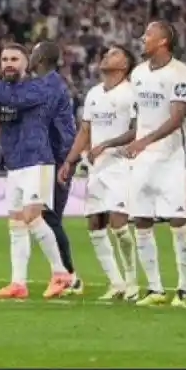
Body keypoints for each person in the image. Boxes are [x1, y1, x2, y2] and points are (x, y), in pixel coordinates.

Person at [0, 44, 72, 300]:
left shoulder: (38, 86)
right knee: (16, 223)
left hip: (38, 160)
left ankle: (61, 273)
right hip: (14, 163)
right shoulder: (2, 88)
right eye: (4, 59)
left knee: (33, 218)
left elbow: (14, 100)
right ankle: (18, 283)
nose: (8, 64)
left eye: (15, 59)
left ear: (28, 63)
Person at [113, 21, 186, 308]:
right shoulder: (137, 74)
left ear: (162, 42)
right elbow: (138, 119)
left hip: (170, 158)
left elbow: (177, 117)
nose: (142, 40)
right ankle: (155, 288)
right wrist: (129, 141)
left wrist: (144, 141)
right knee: (142, 221)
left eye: (148, 35)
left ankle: (184, 288)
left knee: (178, 222)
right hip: (142, 158)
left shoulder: (179, 72)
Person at [59, 44, 139, 301]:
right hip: (97, 168)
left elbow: (137, 130)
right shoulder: (94, 93)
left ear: (125, 65)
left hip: (122, 165)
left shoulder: (131, 92)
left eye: (114, 53)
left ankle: (132, 281)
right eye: (105, 53)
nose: (106, 55)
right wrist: (69, 161)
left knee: (119, 225)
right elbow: (85, 131)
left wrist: (105, 144)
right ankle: (115, 283)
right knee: (95, 224)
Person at [36, 41, 81, 294]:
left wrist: (67, 161)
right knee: (48, 217)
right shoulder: (51, 84)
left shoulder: (50, 86)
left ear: (40, 57)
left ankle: (69, 276)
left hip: (56, 159)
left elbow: (60, 130)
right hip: (52, 158)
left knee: (50, 218)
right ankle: (67, 275)